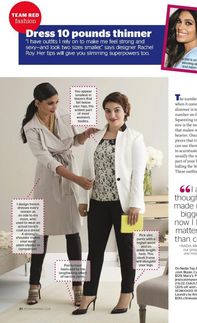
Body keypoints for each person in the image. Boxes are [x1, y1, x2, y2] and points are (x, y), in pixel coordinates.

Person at [20, 82, 96, 306]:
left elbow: (73, 141)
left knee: (72, 230)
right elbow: (49, 161)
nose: (55, 106)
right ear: (38, 103)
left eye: (57, 102)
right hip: (48, 177)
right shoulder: (31, 128)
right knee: (41, 233)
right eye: (50, 103)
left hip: (69, 173)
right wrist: (78, 180)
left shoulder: (61, 113)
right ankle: (34, 284)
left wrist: (84, 134)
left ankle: (77, 286)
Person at [72, 92, 146, 315]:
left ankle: (126, 293)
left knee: (126, 250)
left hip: (123, 206)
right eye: (108, 110)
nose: (112, 114)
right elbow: (86, 170)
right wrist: (83, 200)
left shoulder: (135, 137)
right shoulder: (94, 137)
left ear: (125, 112)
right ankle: (89, 293)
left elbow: (137, 175)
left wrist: (135, 204)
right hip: (97, 202)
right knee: (94, 251)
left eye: (117, 110)